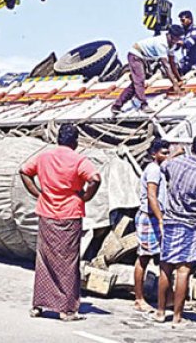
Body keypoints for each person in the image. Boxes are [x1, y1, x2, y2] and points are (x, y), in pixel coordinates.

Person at [20, 123, 102, 322]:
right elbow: (96, 179)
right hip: (69, 214)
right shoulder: (78, 159)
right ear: (75, 141)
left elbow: (24, 171)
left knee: (45, 259)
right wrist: (85, 197)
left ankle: (39, 305)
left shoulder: (44, 157)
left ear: (58, 139)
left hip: (47, 213)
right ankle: (66, 310)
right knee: (68, 261)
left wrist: (38, 193)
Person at [147, 134, 196, 329]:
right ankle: (177, 316)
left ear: (192, 147)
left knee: (165, 268)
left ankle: (161, 312)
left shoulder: (175, 164)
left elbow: (163, 166)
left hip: (170, 221)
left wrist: (176, 153)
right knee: (183, 272)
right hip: (190, 225)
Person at [133, 138, 171, 313]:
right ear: (153, 154)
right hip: (150, 218)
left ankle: (166, 296)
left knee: (162, 258)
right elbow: (151, 196)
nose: (167, 155)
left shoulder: (159, 169)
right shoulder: (154, 170)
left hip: (155, 217)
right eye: (163, 152)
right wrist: (161, 220)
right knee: (144, 257)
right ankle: (139, 298)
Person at [111, 26, 184, 115]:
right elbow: (166, 65)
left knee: (135, 84)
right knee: (140, 80)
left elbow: (172, 63)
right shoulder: (161, 43)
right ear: (170, 35)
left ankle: (117, 105)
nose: (176, 41)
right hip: (135, 55)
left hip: (143, 58)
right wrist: (174, 84)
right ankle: (143, 104)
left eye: (178, 38)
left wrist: (179, 79)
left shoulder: (172, 45)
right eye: (175, 38)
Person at [177, 10, 196, 76]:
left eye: (183, 20)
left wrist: (177, 42)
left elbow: (188, 43)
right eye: (181, 21)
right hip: (185, 65)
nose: (181, 23)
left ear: (190, 19)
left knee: (186, 80)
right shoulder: (182, 31)